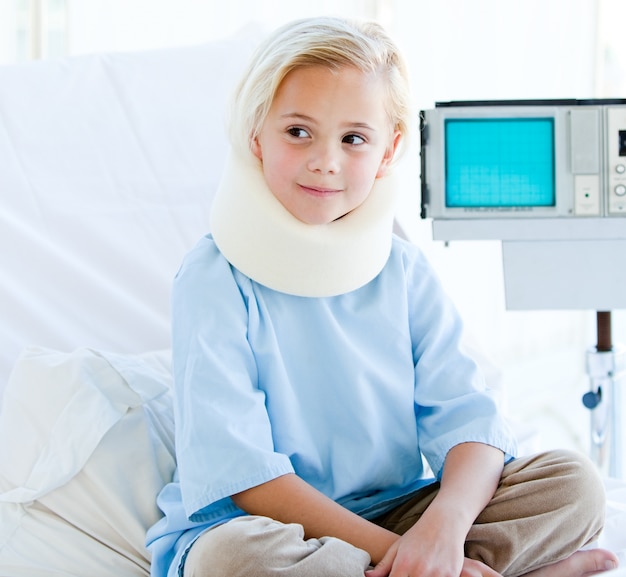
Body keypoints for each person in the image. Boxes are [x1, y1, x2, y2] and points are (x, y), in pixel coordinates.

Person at [146, 16, 619, 577]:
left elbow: (472, 424)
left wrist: (441, 529)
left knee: (573, 485)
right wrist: (400, 554)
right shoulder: (213, 275)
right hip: (271, 528)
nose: (326, 161)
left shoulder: (403, 270)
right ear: (256, 135)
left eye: (353, 139)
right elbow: (245, 476)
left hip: (399, 511)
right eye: (298, 132)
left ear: (389, 149)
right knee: (229, 561)